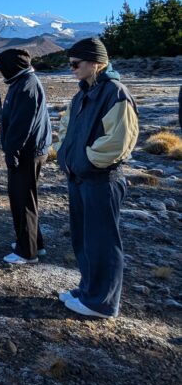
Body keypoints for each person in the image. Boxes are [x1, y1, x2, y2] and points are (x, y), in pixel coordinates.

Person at [53, 37, 139, 318]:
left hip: (101, 179)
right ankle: (89, 289)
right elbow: (66, 129)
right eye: (70, 65)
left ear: (95, 63)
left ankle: (102, 302)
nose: (72, 69)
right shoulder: (82, 94)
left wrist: (84, 160)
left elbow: (119, 141)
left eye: (76, 64)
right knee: (84, 239)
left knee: (102, 242)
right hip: (79, 177)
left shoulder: (115, 93)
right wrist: (64, 154)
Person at [0, 48, 52, 264]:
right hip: (27, 151)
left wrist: (12, 151)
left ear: (12, 68)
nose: (0, 72)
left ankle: (27, 252)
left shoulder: (27, 86)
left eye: (1, 68)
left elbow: (22, 125)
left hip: (27, 153)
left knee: (23, 199)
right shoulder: (22, 82)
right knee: (24, 197)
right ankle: (33, 243)